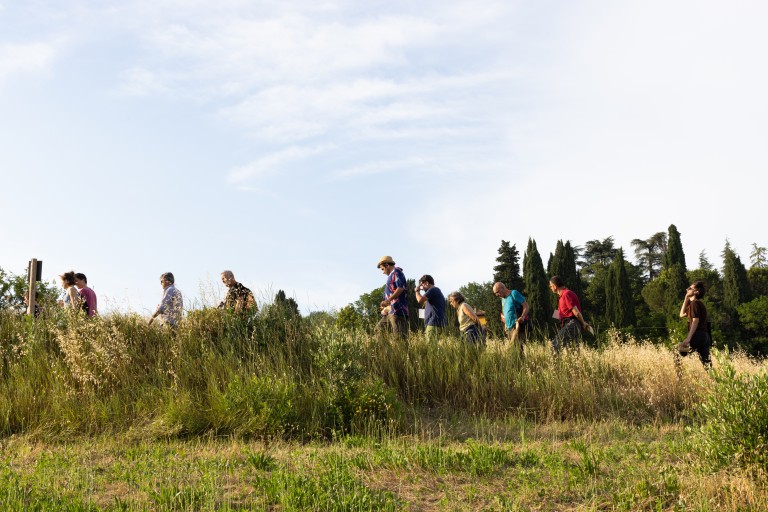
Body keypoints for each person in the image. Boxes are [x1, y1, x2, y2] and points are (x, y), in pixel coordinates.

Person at [677, 280, 712, 368]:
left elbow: (695, 321)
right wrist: (686, 298)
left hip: (698, 335)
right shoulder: (696, 304)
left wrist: (688, 338)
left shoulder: (695, 304)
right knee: (707, 365)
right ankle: (715, 381)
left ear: (696, 291)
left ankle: (679, 379)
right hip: (705, 337)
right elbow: (681, 314)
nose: (687, 289)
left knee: (677, 353)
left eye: (690, 288)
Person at [549, 275, 590, 351]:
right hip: (570, 324)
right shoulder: (562, 296)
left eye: (550, 286)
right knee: (573, 351)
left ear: (555, 286)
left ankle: (555, 363)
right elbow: (561, 313)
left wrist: (583, 323)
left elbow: (576, 312)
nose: (550, 288)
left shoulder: (566, 294)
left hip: (572, 323)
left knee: (555, 345)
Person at [375, 256, 409, 340]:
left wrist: (388, 300)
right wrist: (385, 305)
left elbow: (400, 288)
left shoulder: (397, 272)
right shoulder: (391, 276)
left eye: (382, 269)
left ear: (387, 265)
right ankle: (387, 352)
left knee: (399, 338)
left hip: (398, 310)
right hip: (390, 311)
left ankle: (402, 352)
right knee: (378, 329)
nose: (382, 272)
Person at [493, 282, 530, 353]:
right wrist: (505, 324)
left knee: (514, 349)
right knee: (517, 351)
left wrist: (522, 317)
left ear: (502, 288)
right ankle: (521, 364)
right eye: (495, 293)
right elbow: (505, 313)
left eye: (497, 292)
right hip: (509, 329)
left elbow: (526, 306)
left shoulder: (514, 293)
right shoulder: (502, 299)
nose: (497, 295)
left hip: (517, 326)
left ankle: (519, 364)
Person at [414, 274, 446, 341]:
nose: (421, 288)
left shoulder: (433, 290)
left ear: (426, 283)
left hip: (433, 323)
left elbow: (420, 300)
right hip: (437, 323)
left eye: (421, 285)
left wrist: (417, 291)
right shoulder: (436, 291)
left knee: (430, 347)